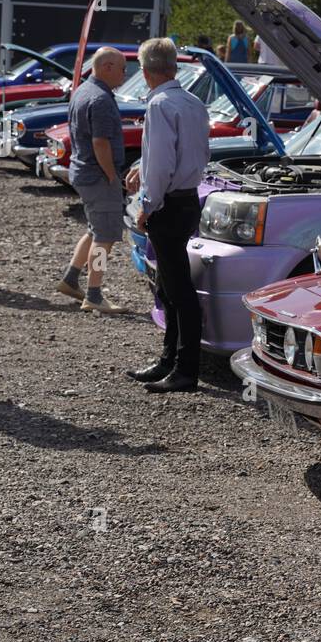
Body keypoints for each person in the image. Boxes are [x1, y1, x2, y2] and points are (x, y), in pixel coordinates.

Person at [126, 37, 210, 393]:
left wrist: (146, 205)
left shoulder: (159, 105)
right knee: (169, 283)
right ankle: (169, 360)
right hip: (188, 198)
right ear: (173, 67)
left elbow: (161, 163)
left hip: (168, 203)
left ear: (146, 73)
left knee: (177, 289)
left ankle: (186, 368)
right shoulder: (193, 102)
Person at [55, 47, 132, 315]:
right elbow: (100, 143)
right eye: (122, 68)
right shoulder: (100, 99)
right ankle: (94, 295)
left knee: (94, 229)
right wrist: (112, 176)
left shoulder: (82, 91)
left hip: (83, 172)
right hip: (98, 176)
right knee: (105, 236)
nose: (125, 73)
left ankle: (70, 279)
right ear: (107, 67)